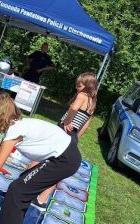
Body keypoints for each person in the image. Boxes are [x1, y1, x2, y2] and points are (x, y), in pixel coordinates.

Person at [0, 93, 81, 223]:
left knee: (17, 190)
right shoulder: (13, 126)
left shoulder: (15, 130)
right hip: (63, 155)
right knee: (22, 186)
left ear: (2, 115)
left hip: (65, 159)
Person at [29, 72, 99, 210]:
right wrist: (76, 137)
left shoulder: (82, 96)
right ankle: (41, 201)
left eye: (79, 85)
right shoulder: (92, 102)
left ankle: (24, 183)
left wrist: (67, 121)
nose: (77, 88)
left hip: (63, 131)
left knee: (39, 154)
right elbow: (86, 124)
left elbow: (73, 109)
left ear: (87, 86)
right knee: (56, 168)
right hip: (72, 135)